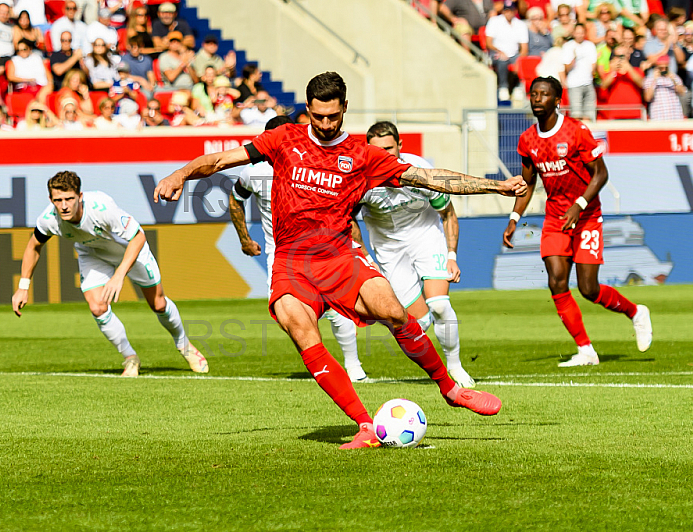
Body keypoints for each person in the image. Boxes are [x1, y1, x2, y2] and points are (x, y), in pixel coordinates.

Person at [154, 71, 527, 449]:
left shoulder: (362, 155)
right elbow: (220, 160)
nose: (327, 124)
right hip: (291, 263)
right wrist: (181, 173)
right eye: (319, 117)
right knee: (300, 330)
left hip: (339, 257)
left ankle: (450, 389)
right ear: (308, 110)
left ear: (345, 108)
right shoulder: (283, 139)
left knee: (395, 312)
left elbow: (427, 178)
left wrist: (496, 185)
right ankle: (366, 426)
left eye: (334, 116)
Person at [504, 76, 652, 368]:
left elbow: (601, 174)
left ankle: (636, 312)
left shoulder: (576, 131)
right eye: (533, 94)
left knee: (589, 289)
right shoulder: (527, 140)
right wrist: (514, 218)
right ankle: (586, 350)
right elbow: (528, 183)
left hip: (586, 216)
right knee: (556, 281)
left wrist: (579, 204)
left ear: (557, 100)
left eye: (544, 94)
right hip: (555, 218)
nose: (536, 99)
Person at [12, 171, 208, 377]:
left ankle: (185, 346)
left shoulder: (102, 208)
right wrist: (23, 287)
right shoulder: (49, 220)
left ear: (80, 196)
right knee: (97, 307)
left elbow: (138, 237)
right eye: (58, 200)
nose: (64, 206)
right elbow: (34, 246)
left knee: (158, 304)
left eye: (69, 199)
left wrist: (119, 275)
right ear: (51, 200)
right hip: (93, 253)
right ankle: (130, 359)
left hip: (130, 250)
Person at [229, 114, 367, 382]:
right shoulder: (253, 172)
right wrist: (244, 239)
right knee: (288, 317)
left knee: (339, 309)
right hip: (282, 255)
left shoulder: (316, 164)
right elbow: (236, 200)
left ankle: (353, 364)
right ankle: (323, 361)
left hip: (326, 249)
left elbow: (345, 211)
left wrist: (356, 245)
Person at [355, 121, 474, 388]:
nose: (384, 155)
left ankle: (454, 365)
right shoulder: (361, 180)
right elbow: (348, 220)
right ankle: (425, 325)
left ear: (400, 145)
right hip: (388, 250)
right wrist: (364, 255)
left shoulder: (420, 172)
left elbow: (448, 212)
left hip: (426, 238)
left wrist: (452, 255)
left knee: (440, 305)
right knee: (417, 325)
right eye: (377, 150)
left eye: (389, 148)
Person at [485, 0, 529, 101]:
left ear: (514, 11)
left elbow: (524, 48)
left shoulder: (520, 24)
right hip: (497, 52)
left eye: (511, 10)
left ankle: (518, 87)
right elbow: (488, 43)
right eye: (506, 10)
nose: (508, 13)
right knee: (502, 59)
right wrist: (499, 51)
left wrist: (520, 60)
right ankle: (503, 87)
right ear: (503, 11)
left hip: (513, 54)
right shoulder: (494, 21)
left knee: (520, 60)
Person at [597, 43, 644, 118]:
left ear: (628, 56)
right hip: (615, 114)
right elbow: (604, 85)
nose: (620, 59)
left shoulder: (636, 70)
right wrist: (614, 71)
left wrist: (628, 68)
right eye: (617, 56)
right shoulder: (610, 73)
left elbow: (641, 83)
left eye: (622, 56)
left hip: (634, 114)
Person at [562, 23, 597, 120]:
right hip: (574, 85)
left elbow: (593, 64)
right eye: (577, 33)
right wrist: (574, 58)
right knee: (576, 114)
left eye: (582, 33)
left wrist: (591, 74)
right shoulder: (568, 46)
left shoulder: (590, 45)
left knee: (589, 114)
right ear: (573, 33)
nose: (579, 35)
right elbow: (566, 68)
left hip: (588, 83)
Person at [643, 54, 685, 119]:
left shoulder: (674, 77)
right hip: (658, 116)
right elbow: (648, 98)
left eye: (666, 68)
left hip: (675, 115)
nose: (663, 70)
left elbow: (682, 92)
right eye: (661, 68)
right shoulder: (649, 79)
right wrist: (654, 80)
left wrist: (673, 79)